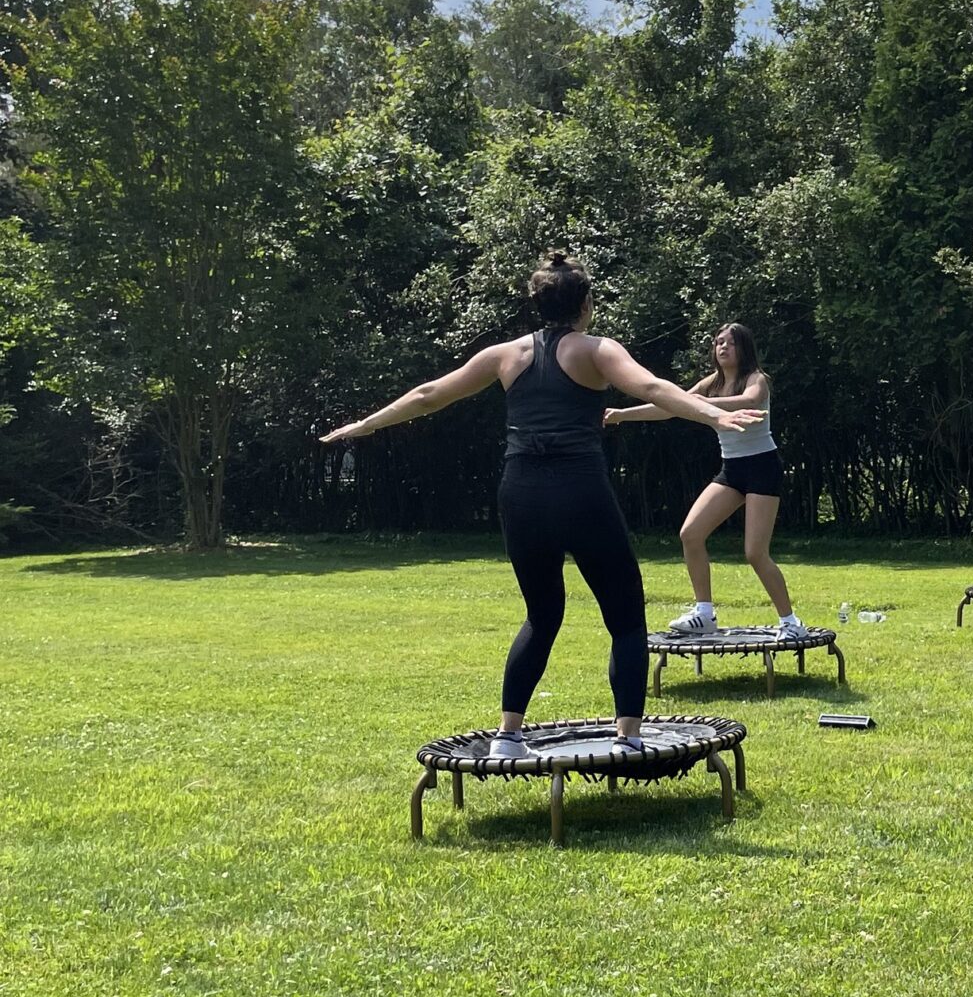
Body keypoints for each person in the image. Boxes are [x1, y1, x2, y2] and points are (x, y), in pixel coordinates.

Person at [320, 253, 758, 759]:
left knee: (542, 614)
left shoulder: (504, 355)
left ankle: (508, 736)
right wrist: (712, 417)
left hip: (522, 493)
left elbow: (428, 394)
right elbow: (654, 387)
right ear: (586, 303)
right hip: (580, 491)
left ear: (537, 303)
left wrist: (364, 426)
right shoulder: (597, 349)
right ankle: (629, 737)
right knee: (625, 618)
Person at [606, 321, 806, 639]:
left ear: (743, 348)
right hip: (732, 470)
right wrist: (621, 414)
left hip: (762, 467)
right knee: (690, 533)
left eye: (729, 342)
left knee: (755, 552)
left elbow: (749, 401)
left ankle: (791, 624)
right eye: (718, 343)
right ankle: (704, 613)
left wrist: (698, 405)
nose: (722, 347)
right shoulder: (711, 383)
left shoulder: (756, 379)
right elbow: (668, 408)